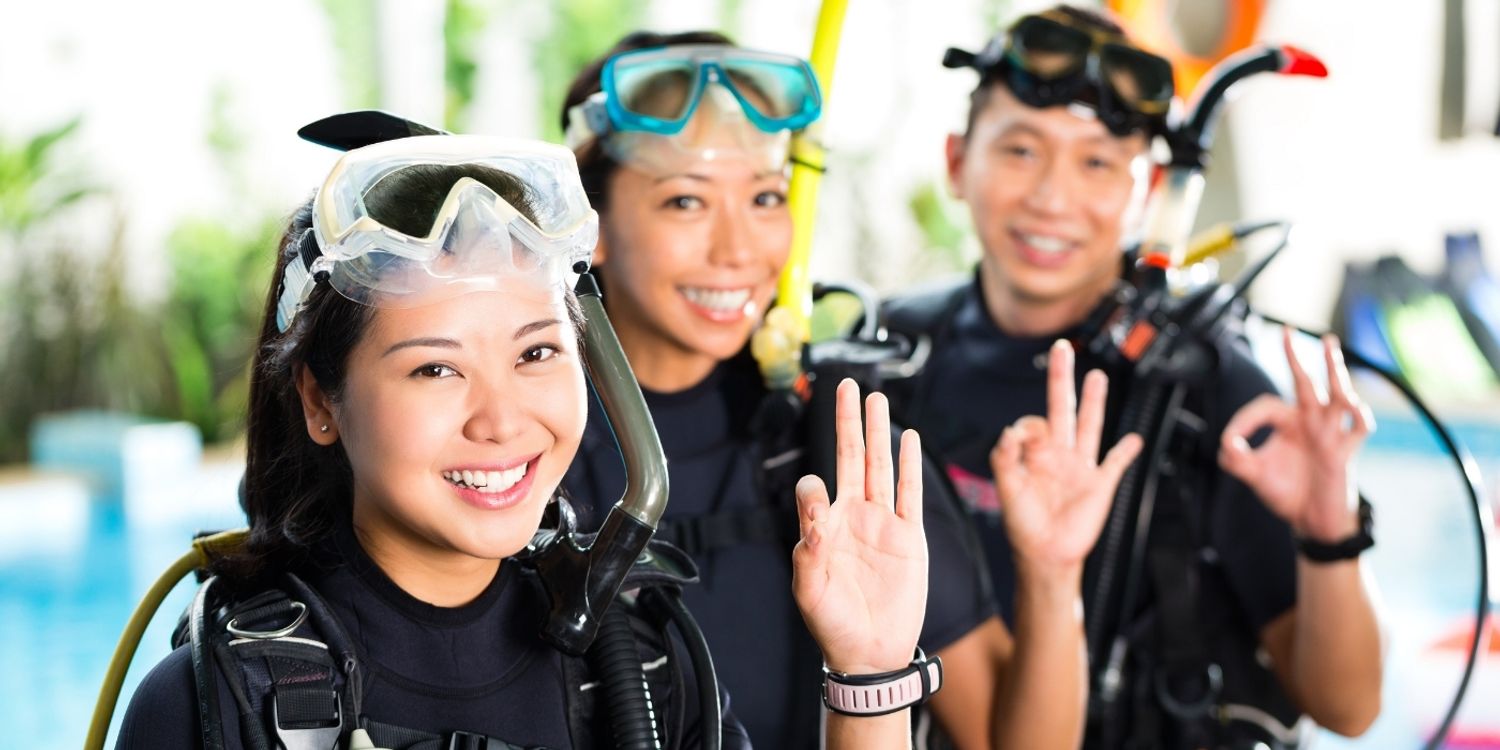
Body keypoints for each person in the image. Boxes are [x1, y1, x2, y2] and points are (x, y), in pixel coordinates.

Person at [111, 133, 933, 749]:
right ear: (322, 402)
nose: (501, 421)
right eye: (435, 370)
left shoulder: (642, 658)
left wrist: (868, 674)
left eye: (537, 352)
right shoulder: (218, 701)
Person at [558, 30, 1142, 749]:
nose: (739, 250)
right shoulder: (519, 442)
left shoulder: (836, 444)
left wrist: (1053, 576)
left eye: (767, 197)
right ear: (590, 227)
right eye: (686, 202)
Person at [883, 5, 1383, 748]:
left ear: (1148, 187)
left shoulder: (1205, 386)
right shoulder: (896, 354)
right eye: (1021, 150)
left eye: (1097, 162)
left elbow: (1348, 708)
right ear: (957, 161)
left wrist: (1327, 533)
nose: (1053, 198)